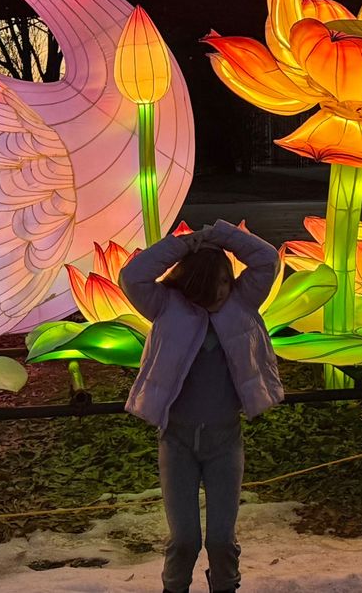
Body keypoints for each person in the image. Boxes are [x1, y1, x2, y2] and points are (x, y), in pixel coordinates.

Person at [120, 219, 282, 593]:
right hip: (176, 441)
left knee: (221, 539)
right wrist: (185, 243)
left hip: (225, 440)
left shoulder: (242, 301)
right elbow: (133, 275)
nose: (221, 290)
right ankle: (174, 587)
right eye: (212, 282)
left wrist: (220, 234)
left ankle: (225, 585)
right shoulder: (166, 306)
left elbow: (267, 259)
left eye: (226, 280)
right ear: (193, 282)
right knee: (184, 540)